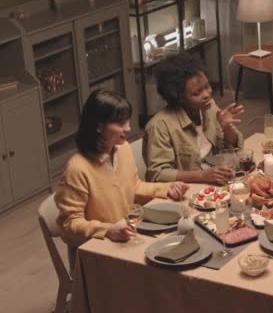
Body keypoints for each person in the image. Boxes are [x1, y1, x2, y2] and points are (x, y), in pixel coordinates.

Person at [55, 90, 188, 266]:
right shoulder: (77, 169)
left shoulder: (122, 148)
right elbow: (69, 223)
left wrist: (166, 188)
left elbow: (133, 187)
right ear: (98, 126)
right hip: (96, 254)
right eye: (120, 123)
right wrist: (107, 230)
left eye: (127, 121)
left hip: (125, 239)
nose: (128, 128)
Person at [143, 53, 244, 184]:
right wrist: (202, 176)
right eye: (196, 93)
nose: (207, 95)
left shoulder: (209, 106)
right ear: (179, 97)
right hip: (187, 191)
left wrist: (226, 128)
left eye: (207, 86)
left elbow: (234, 147)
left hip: (216, 183)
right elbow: (157, 174)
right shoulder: (159, 126)